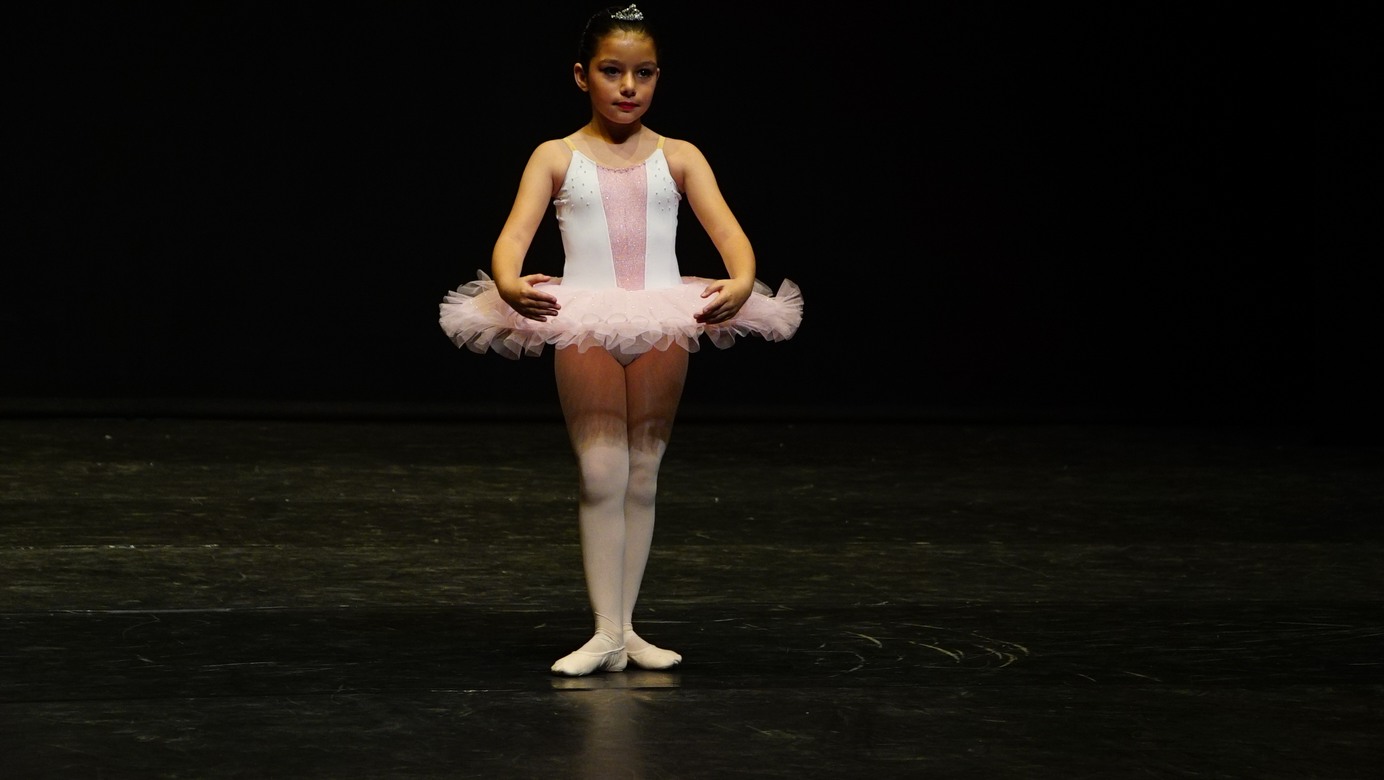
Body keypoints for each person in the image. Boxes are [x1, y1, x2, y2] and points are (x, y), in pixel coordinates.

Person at [439, 3, 803, 676]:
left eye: (644, 73)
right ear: (582, 76)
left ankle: (627, 628)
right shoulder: (556, 156)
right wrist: (508, 280)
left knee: (642, 475)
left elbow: (730, 233)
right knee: (600, 471)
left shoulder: (680, 156)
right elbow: (514, 235)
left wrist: (741, 279)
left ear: (659, 76)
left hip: (663, 317)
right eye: (612, 71)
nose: (629, 86)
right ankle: (604, 631)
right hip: (585, 317)